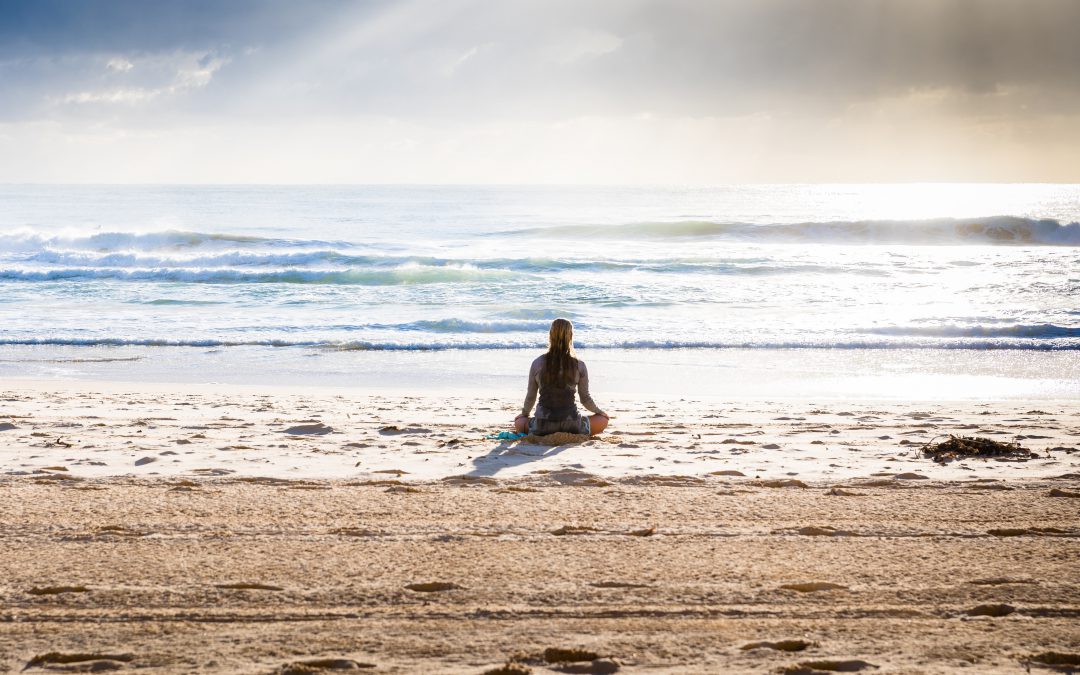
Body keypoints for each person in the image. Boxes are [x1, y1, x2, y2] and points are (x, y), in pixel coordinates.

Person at [514, 318, 610, 436]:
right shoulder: (579, 365)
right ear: (570, 336)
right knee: (603, 420)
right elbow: (585, 399)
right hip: (572, 424)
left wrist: (524, 414)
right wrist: (600, 412)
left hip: (542, 425)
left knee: (519, 422)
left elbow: (531, 397)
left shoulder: (537, 363)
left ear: (550, 335)